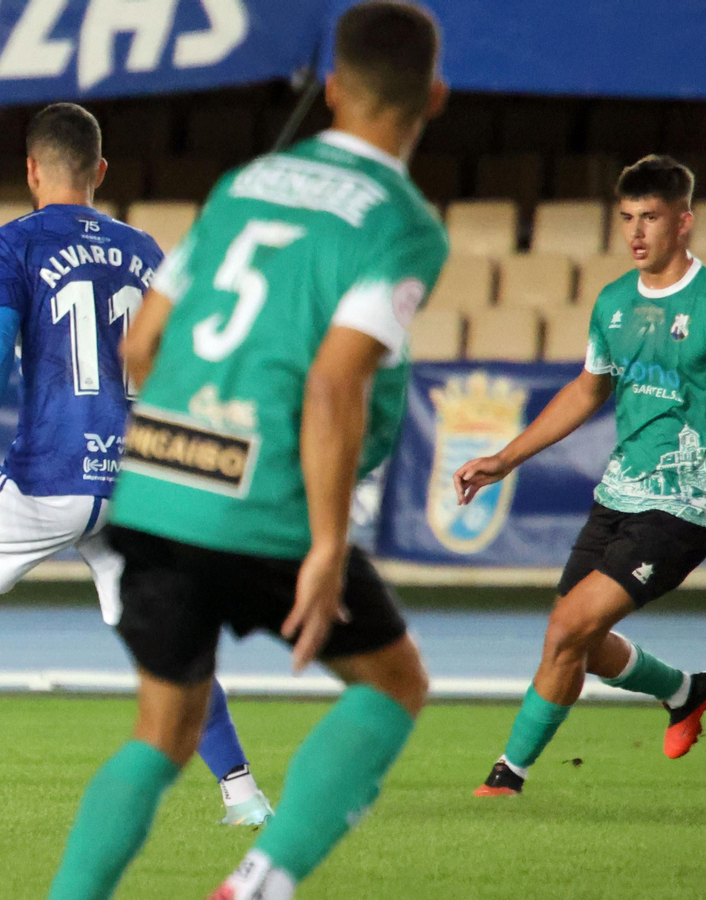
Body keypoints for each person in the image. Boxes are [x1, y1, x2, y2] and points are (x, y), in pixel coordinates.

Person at [46, 3, 449, 898]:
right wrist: (328, 545)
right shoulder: (403, 223)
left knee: (163, 733)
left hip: (153, 493)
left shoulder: (245, 182)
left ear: (334, 90)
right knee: (394, 684)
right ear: (437, 97)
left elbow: (140, 346)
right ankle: (259, 884)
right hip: (262, 499)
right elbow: (334, 387)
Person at [0, 103, 272, 826]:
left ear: (32, 170)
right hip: (135, 483)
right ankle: (245, 798)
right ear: (100, 171)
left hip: (53, 469)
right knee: (170, 638)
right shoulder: (148, 252)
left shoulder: (14, 243)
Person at [459, 155, 706, 797]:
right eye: (627, 218)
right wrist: (506, 457)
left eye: (650, 218)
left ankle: (506, 776)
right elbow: (587, 390)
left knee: (567, 628)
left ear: (683, 223)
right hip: (617, 496)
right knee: (581, 639)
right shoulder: (612, 302)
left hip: (686, 504)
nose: (636, 232)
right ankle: (687, 691)